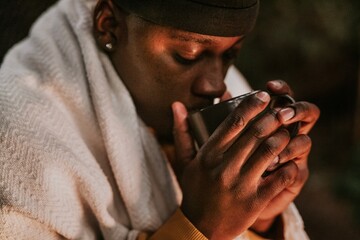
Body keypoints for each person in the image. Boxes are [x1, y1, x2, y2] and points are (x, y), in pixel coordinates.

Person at [0, 0, 320, 239]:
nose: (216, 84)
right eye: (188, 55)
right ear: (109, 25)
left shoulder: (226, 86)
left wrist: (260, 220)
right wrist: (199, 227)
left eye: (230, 55)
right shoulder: (17, 129)